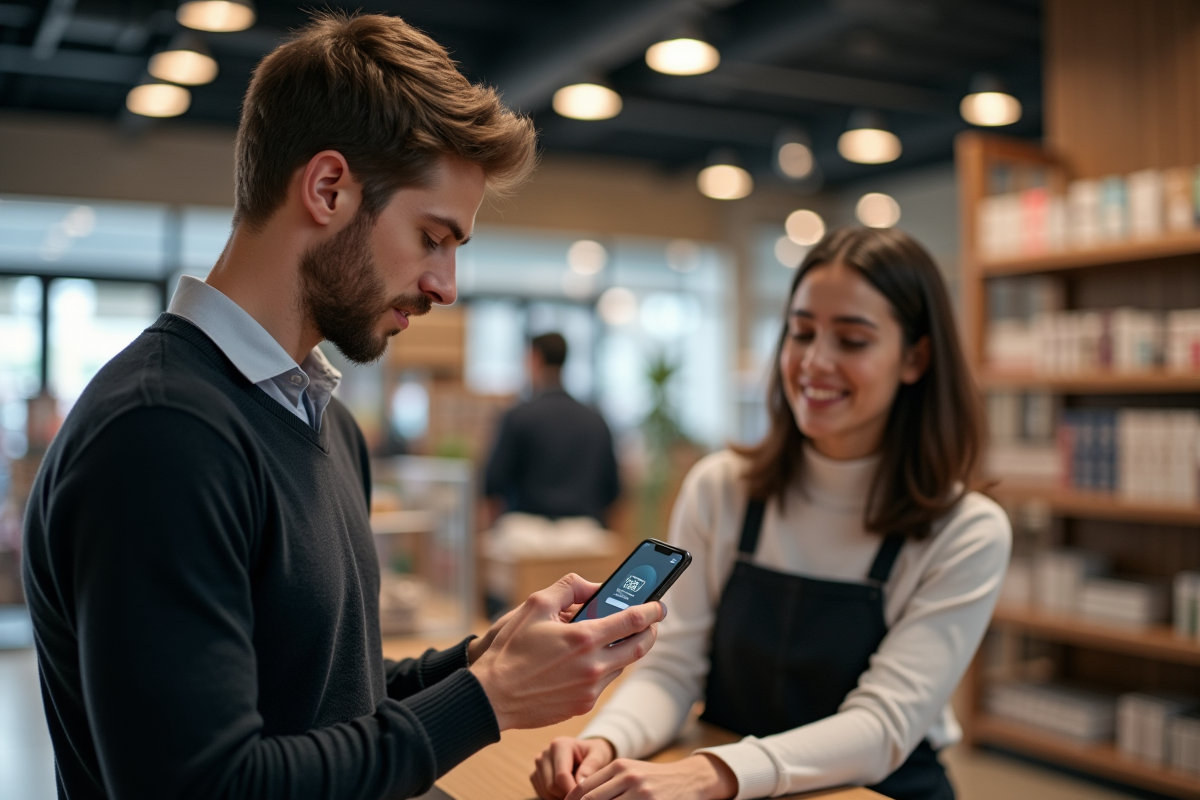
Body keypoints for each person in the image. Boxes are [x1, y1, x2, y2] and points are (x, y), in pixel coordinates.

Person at [22, 13, 665, 800]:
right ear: (328, 189)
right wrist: (486, 702)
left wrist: (476, 662)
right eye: (433, 237)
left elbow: (326, 697)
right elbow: (204, 785)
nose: (445, 286)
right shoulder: (160, 434)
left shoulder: (320, 418)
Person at [533, 227, 1011, 800]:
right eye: (801, 332)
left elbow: (882, 728)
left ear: (915, 357)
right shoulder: (722, 489)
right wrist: (605, 744)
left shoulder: (966, 531)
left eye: (852, 341)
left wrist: (712, 773)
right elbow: (674, 669)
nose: (814, 362)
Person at [485, 332, 620, 526]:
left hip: (527, 534)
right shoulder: (596, 420)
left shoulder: (518, 417)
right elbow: (612, 492)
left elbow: (493, 485)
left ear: (535, 358)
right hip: (586, 534)